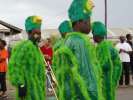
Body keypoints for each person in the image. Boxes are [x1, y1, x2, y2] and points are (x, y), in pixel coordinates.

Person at [53, 0, 103, 99]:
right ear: (81, 21)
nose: (90, 24)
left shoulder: (69, 40)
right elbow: (85, 75)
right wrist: (94, 96)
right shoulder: (79, 42)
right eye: (88, 20)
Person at [8, 16, 45, 100]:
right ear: (29, 32)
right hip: (27, 92)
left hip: (38, 90)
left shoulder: (36, 48)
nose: (38, 36)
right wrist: (21, 84)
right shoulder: (22, 46)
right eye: (36, 33)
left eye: (40, 33)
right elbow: (14, 67)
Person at [92, 21, 122, 100]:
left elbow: (105, 64)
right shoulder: (105, 45)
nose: (93, 37)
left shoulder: (103, 47)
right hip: (110, 80)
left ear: (96, 35)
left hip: (106, 81)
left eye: (93, 34)